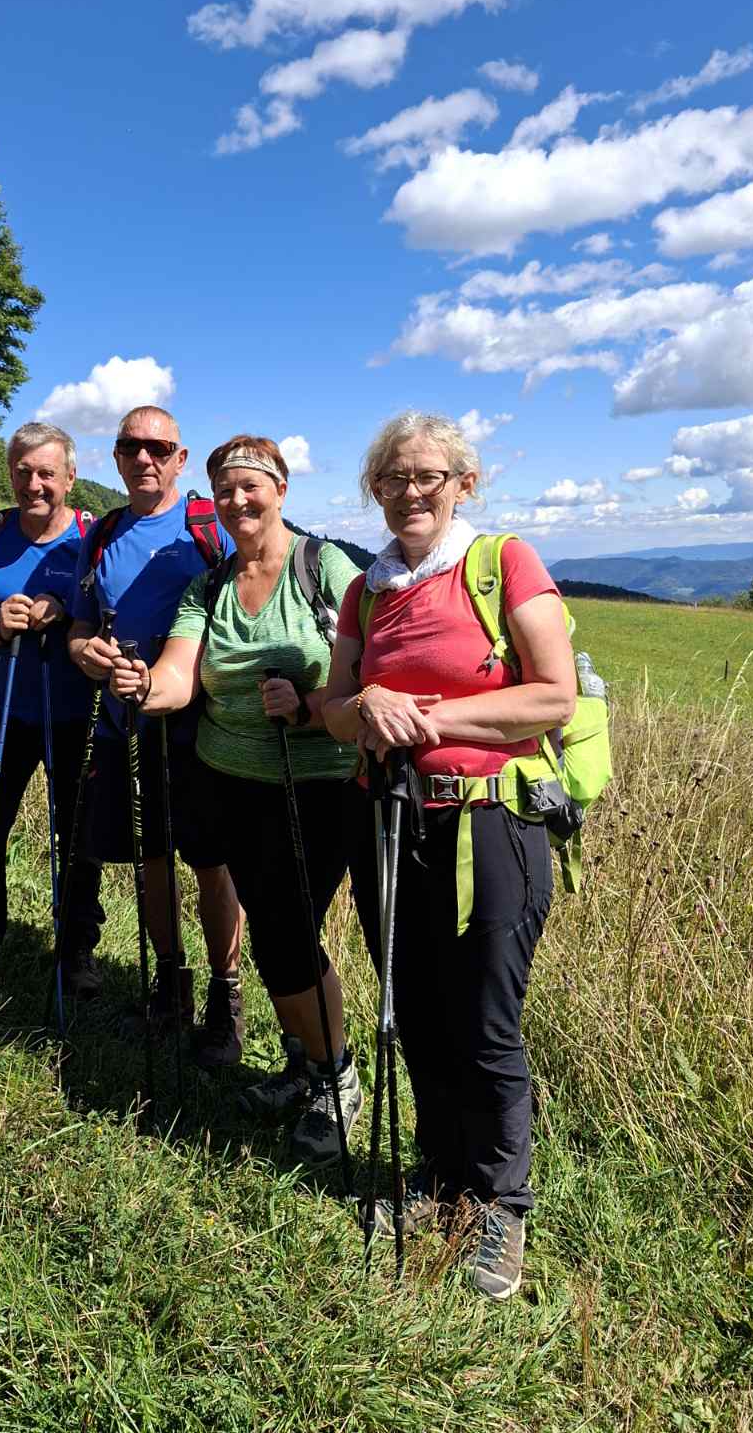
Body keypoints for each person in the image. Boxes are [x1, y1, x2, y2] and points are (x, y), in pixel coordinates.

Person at [321, 410, 576, 1301]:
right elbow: (335, 708)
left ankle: (501, 1203)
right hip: (389, 821)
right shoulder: (368, 590)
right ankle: (440, 1176)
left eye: (426, 476)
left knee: (484, 1018)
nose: (408, 493)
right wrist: (367, 706)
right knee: (414, 1009)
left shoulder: (503, 563)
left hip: (488, 823)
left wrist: (425, 717)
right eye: (391, 479)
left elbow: (553, 696)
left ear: (464, 484)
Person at [110, 435, 362, 1161]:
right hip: (231, 784)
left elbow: (370, 664)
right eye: (224, 489)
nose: (237, 499)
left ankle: (337, 1079)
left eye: (251, 485)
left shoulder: (325, 568)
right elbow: (178, 676)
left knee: (287, 938)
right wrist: (142, 686)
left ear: (280, 490)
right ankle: (304, 1066)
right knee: (279, 937)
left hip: (319, 785)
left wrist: (310, 705)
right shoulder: (210, 586)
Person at [68, 405, 246, 1067]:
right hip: (122, 725)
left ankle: (226, 999)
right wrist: (88, 655)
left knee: (210, 862)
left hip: (201, 728)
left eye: (159, 448)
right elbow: (81, 628)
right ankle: (171, 985)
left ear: (180, 458)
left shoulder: (209, 528)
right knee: (150, 859)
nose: (144, 458)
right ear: (116, 458)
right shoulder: (102, 535)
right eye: (131, 447)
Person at [0, 422, 106, 996]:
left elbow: (112, 622)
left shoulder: (92, 536)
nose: (34, 484)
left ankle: (76, 951)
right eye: (23, 472)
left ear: (70, 478)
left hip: (75, 715)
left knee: (78, 838)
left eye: (46, 473)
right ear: (9, 474)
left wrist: (68, 611)